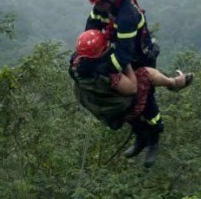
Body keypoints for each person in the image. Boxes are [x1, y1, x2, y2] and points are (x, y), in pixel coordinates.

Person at [69, 28, 192, 167]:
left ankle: (141, 139)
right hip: (123, 107)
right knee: (145, 74)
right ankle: (174, 83)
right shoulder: (107, 75)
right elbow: (132, 88)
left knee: (138, 123)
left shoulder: (78, 68)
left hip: (107, 112)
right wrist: (125, 62)